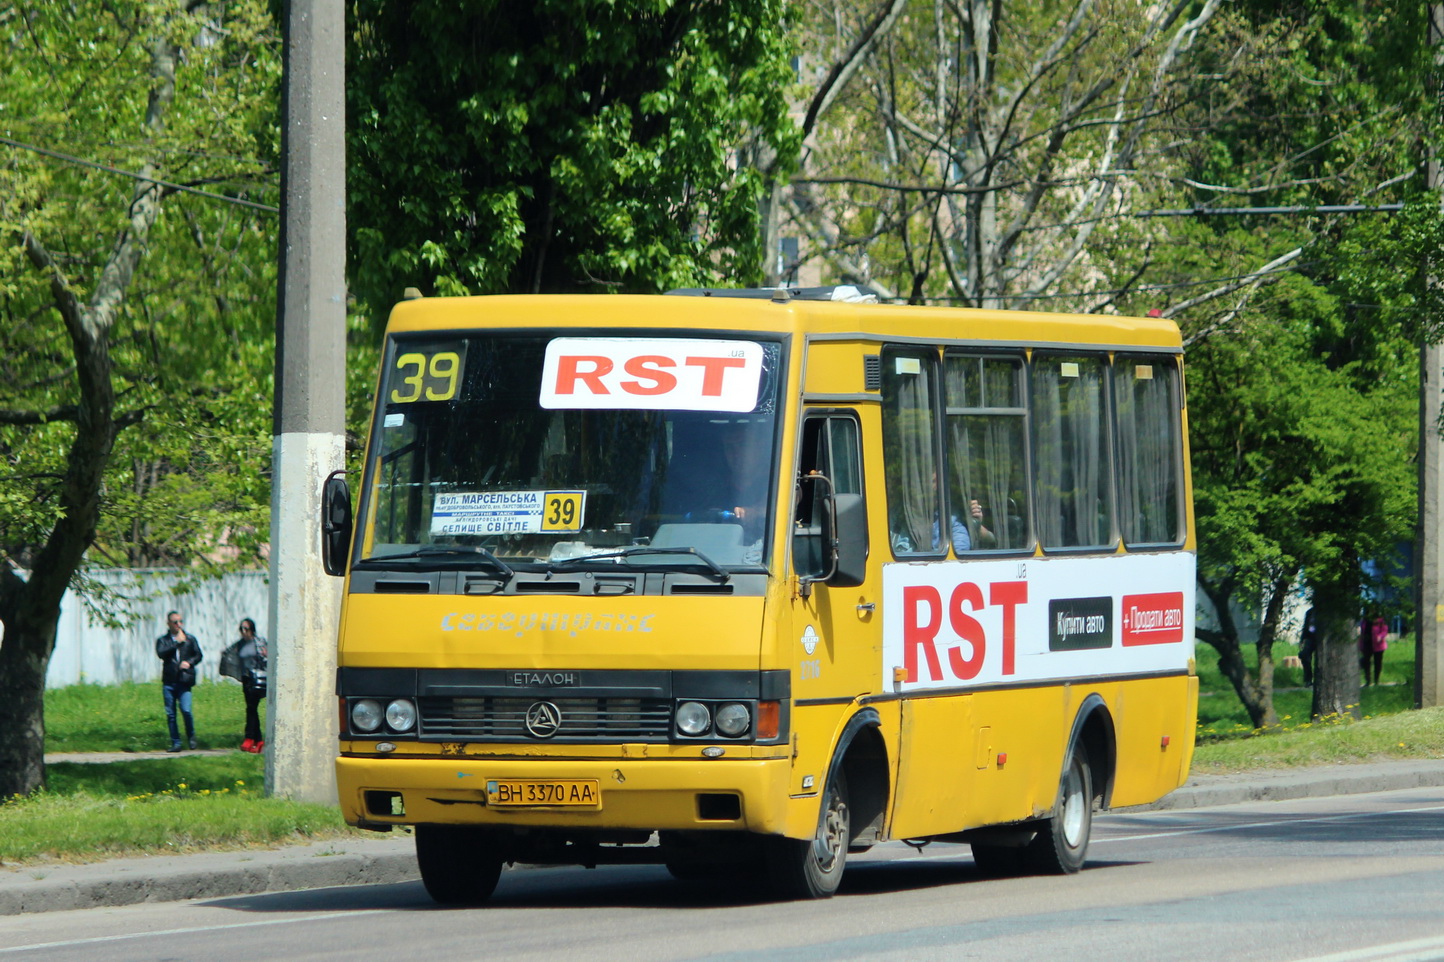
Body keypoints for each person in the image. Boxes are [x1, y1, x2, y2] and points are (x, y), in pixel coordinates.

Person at [155, 610, 203, 752]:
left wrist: (189, 662)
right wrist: (176, 643)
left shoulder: (190, 639)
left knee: (186, 709)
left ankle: (191, 736)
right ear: (168, 623)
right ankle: (176, 743)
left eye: (180, 621)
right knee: (171, 713)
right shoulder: (163, 640)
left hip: (184, 680)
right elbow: (161, 653)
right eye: (175, 622)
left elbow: (198, 655)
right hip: (169, 680)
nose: (178, 625)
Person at [221, 618, 268, 752]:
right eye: (241, 629)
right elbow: (230, 654)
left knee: (251, 708)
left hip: (258, 679)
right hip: (247, 679)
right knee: (251, 709)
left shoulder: (259, 642)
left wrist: (266, 655)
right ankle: (258, 741)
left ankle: (250, 738)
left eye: (246, 629)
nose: (243, 631)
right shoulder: (239, 644)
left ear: (252, 630)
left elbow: (269, 657)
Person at [1359, 613, 1388, 686]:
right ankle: (1368, 680)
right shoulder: (1364, 621)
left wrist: (1380, 636)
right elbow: (1362, 633)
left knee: (1377, 663)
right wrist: (1360, 644)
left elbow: (1384, 631)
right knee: (1366, 662)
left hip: (1378, 645)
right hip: (1367, 644)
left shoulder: (1381, 621)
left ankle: (1376, 680)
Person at [1298, 607, 1318, 687]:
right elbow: (1306, 627)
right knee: (1304, 655)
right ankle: (1308, 679)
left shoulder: (1325, 611)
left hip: (1321, 638)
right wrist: (1302, 639)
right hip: (1310, 637)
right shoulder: (1309, 612)